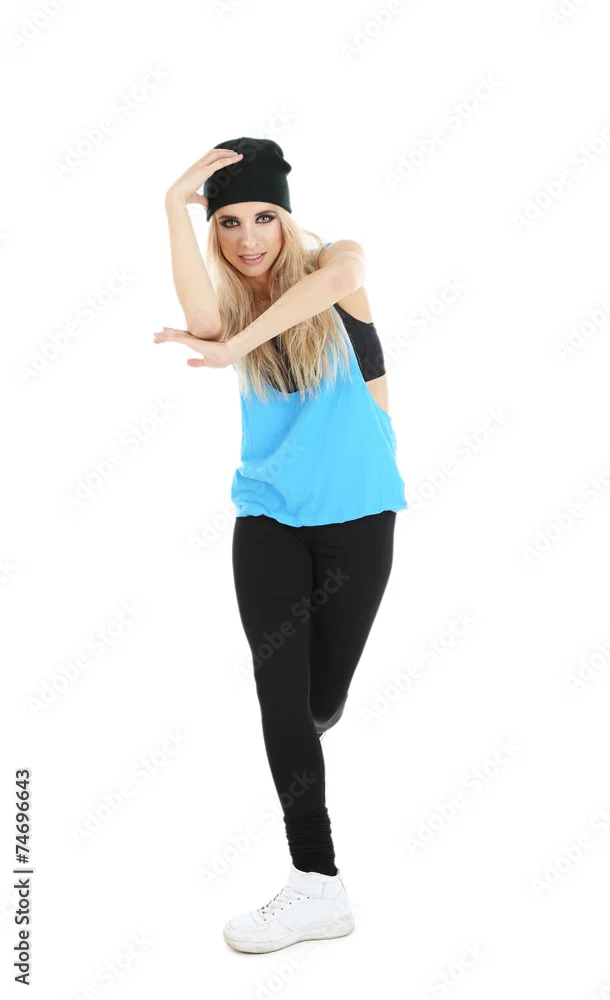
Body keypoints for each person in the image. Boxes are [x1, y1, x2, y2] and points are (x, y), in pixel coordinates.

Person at [155, 137, 408, 954]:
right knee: (281, 697)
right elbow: (206, 325)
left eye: (263, 216)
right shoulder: (232, 306)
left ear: (286, 219)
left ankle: (305, 730)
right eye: (228, 222)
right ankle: (317, 884)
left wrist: (235, 346)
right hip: (266, 518)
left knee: (316, 704)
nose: (247, 237)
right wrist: (172, 204)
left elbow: (338, 281)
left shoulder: (335, 262)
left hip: (359, 518)